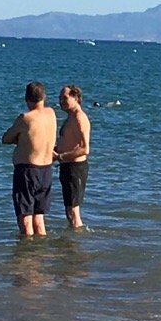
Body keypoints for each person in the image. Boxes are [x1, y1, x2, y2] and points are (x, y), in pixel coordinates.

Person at [2, 82, 57, 237]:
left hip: (28, 170)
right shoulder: (51, 113)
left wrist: (20, 139)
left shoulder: (26, 118)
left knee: (25, 217)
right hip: (46, 170)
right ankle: (41, 252)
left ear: (27, 99)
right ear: (43, 97)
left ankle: (28, 256)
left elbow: (6, 138)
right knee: (39, 217)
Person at [54, 84, 90, 230]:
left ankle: (77, 244)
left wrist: (60, 156)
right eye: (60, 98)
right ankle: (72, 244)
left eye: (65, 98)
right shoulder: (70, 117)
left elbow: (85, 149)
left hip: (75, 168)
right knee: (69, 211)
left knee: (74, 212)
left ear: (76, 98)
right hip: (67, 167)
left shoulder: (79, 117)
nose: (61, 101)